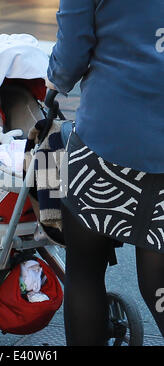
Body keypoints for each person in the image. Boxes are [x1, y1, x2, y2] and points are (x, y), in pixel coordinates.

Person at [46, 0, 164, 345]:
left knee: (84, 268)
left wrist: (55, 83)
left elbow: (71, 55)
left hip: (110, 138)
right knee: (158, 279)